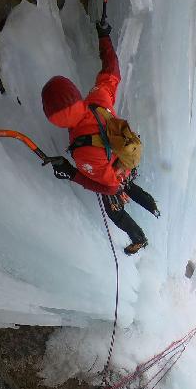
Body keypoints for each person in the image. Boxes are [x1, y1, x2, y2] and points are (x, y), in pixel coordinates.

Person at [41, 19, 159, 255]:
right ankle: (154, 208)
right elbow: (111, 71)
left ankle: (139, 238)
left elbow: (108, 186)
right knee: (129, 184)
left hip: (115, 174)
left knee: (115, 213)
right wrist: (104, 36)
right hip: (125, 156)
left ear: (54, 119)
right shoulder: (98, 99)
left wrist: (71, 172)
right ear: (75, 93)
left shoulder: (83, 152)